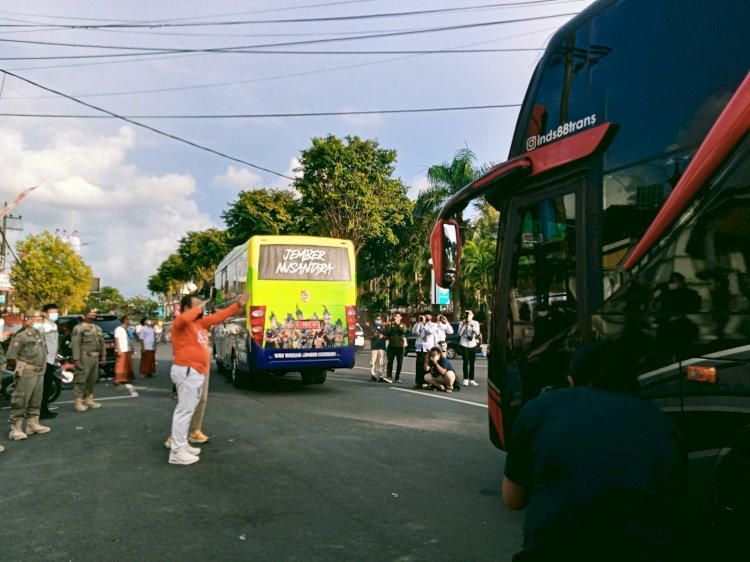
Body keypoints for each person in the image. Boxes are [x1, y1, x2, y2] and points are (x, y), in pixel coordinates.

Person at [502, 341, 688, 562]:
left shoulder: (539, 407)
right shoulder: (662, 423)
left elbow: (512, 499)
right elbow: (676, 503)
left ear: (571, 380)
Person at [168, 291, 248, 466]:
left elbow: (218, 316)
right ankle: (176, 451)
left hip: (195, 371)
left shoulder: (199, 324)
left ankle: (182, 445)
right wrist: (197, 309)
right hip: (187, 370)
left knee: (189, 409)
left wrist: (238, 306)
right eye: (197, 305)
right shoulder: (181, 322)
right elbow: (182, 319)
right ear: (188, 308)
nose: (201, 308)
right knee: (184, 411)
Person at [7, 310, 51, 440]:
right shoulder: (21, 336)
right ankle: (15, 429)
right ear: (29, 320)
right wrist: (21, 369)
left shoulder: (39, 335)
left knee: (36, 400)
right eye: (38, 319)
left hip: (39, 372)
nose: (41, 322)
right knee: (21, 400)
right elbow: (11, 357)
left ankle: (33, 424)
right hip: (26, 372)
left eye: (42, 319)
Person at [70, 308, 106, 412]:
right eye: (90, 314)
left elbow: (102, 342)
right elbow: (75, 344)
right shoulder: (78, 328)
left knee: (92, 379)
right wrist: (76, 359)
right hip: (84, 356)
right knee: (81, 379)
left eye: (94, 314)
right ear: (84, 316)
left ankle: (88, 399)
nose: (93, 316)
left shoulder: (97, 328)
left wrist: (103, 355)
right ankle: (78, 402)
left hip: (95, 357)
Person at [40, 303, 60, 419]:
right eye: (52, 312)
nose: (55, 315)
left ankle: (45, 409)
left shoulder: (53, 325)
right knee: (44, 387)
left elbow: (54, 342)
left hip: (52, 359)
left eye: (56, 312)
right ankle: (41, 411)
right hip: (45, 360)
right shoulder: (42, 325)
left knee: (48, 387)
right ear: (45, 313)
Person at [412, 311, 438, 389]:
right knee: (419, 366)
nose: (425, 317)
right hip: (420, 348)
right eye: (424, 316)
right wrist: (418, 323)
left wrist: (425, 324)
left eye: (427, 316)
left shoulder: (433, 325)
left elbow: (431, 332)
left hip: (428, 348)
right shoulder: (419, 323)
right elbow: (414, 332)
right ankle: (418, 382)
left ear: (430, 317)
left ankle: (427, 382)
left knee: (427, 366)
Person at [458, 309, 481, 387]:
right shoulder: (462, 322)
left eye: (470, 314)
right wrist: (465, 325)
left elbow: (478, 333)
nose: (468, 316)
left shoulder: (476, 323)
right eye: (467, 314)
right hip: (464, 343)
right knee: (465, 361)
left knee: (472, 362)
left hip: (472, 344)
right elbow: (459, 333)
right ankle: (465, 379)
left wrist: (472, 326)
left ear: (472, 315)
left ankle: (471, 379)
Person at [385, 312, 407, 383]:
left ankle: (397, 377)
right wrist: (388, 326)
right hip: (391, 346)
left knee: (399, 363)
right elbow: (387, 333)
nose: (395, 318)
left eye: (397, 316)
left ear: (400, 317)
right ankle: (389, 376)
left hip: (400, 347)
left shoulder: (403, 325)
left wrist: (397, 325)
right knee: (390, 362)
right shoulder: (391, 325)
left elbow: (402, 332)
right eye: (395, 316)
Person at [113, 315, 135, 385]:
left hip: (127, 349)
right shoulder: (118, 329)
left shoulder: (127, 329)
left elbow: (129, 339)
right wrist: (118, 350)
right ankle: (117, 379)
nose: (129, 321)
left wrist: (132, 348)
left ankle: (125, 378)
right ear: (124, 320)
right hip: (121, 349)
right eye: (128, 319)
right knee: (120, 365)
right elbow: (117, 339)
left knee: (127, 365)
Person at [369, 314, 389, 383]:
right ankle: (373, 376)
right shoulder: (371, 328)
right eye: (377, 319)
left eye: (379, 319)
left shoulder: (384, 328)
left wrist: (383, 336)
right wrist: (373, 336)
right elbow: (368, 336)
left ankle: (381, 376)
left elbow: (388, 336)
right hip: (374, 347)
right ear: (374, 320)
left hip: (381, 347)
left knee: (381, 362)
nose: (378, 321)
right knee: (373, 362)